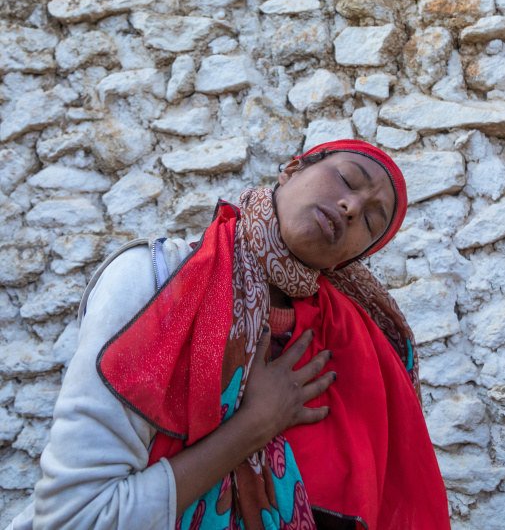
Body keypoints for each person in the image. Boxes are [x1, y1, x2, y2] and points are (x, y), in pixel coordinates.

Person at [6, 139, 451, 530]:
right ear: (292, 169)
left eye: (371, 223)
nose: (351, 208)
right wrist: (254, 426)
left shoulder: (345, 359)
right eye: (347, 178)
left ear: (352, 258)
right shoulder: (152, 283)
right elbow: (73, 517)